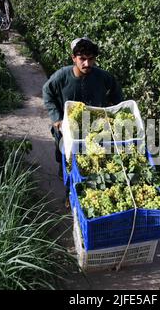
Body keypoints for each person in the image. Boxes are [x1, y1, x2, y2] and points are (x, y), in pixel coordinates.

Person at [42, 37, 123, 199]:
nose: (87, 64)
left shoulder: (102, 77)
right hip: (67, 130)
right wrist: (57, 118)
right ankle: (68, 191)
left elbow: (117, 94)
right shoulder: (62, 77)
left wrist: (117, 113)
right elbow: (47, 92)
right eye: (82, 59)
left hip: (94, 130)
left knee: (92, 163)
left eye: (91, 59)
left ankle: (84, 193)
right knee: (65, 159)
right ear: (74, 58)